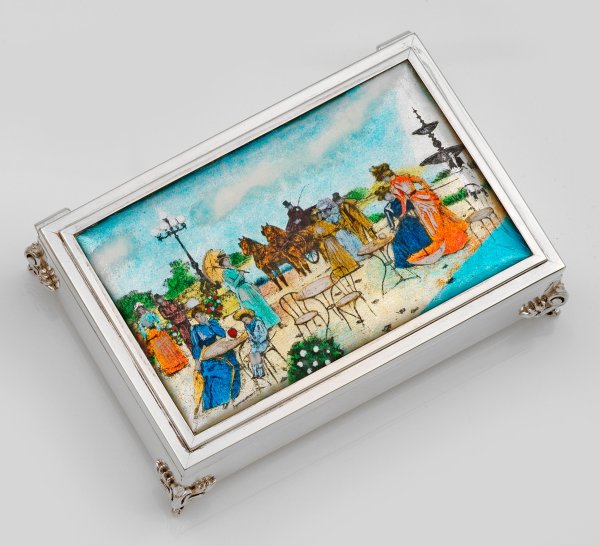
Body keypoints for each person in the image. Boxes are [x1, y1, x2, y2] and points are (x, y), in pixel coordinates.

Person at [389, 173, 469, 264]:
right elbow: (420, 180)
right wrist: (427, 189)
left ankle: (446, 240)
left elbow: (403, 200)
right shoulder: (405, 176)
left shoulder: (393, 186)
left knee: (430, 221)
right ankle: (454, 235)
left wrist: (403, 212)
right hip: (422, 195)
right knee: (438, 216)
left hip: (416, 201)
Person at [190, 303, 241, 413]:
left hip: (221, 349)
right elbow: (196, 346)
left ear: (205, 314)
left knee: (233, 365)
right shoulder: (195, 329)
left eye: (201, 315)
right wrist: (197, 362)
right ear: (195, 319)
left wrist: (209, 324)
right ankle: (220, 401)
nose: (200, 318)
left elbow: (222, 334)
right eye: (197, 317)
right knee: (213, 373)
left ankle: (232, 397)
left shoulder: (213, 322)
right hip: (208, 355)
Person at [217, 253, 281, 329]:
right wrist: (240, 275)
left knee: (262, 303)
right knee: (254, 308)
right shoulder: (225, 274)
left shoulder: (233, 268)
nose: (228, 261)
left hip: (247, 287)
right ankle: (265, 326)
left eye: (228, 259)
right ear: (222, 264)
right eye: (225, 260)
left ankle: (276, 321)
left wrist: (252, 284)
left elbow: (245, 279)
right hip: (241, 291)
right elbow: (234, 285)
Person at [374, 186, 432, 268]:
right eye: (386, 196)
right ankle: (409, 260)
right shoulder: (387, 208)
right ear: (384, 199)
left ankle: (428, 252)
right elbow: (391, 222)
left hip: (412, 220)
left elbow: (413, 208)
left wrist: (419, 217)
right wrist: (392, 231)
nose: (389, 196)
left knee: (417, 234)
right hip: (403, 224)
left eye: (389, 193)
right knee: (397, 241)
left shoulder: (402, 199)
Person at [134, 302, 188, 375]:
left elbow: (157, 320)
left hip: (159, 332)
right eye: (139, 310)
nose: (141, 311)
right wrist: (146, 336)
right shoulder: (140, 321)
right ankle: (170, 367)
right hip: (151, 335)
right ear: (138, 312)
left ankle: (179, 362)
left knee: (168, 346)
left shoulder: (150, 314)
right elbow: (142, 330)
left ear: (144, 308)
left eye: (142, 309)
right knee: (160, 351)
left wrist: (158, 327)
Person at [311, 209, 359, 274]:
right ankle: (350, 267)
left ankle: (342, 271)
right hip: (331, 240)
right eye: (319, 214)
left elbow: (316, 236)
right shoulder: (322, 223)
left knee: (334, 256)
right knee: (340, 252)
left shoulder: (315, 227)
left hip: (326, 243)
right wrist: (339, 226)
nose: (321, 215)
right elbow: (333, 228)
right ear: (316, 216)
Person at [234, 308, 268, 379]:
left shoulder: (258, 323)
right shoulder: (247, 326)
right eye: (244, 321)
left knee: (256, 353)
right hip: (255, 344)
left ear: (250, 317)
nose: (246, 322)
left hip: (263, 342)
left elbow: (264, 334)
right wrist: (252, 342)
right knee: (251, 355)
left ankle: (261, 372)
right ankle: (255, 373)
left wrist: (259, 341)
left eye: (246, 320)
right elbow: (250, 336)